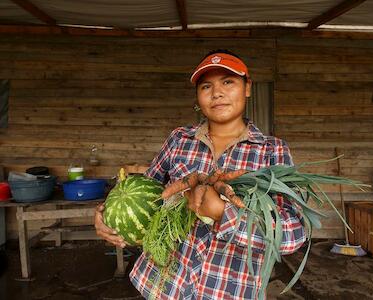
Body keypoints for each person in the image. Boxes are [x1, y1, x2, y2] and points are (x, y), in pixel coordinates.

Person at [95, 50, 306, 299]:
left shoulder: (273, 151)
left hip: (228, 291)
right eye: (206, 86)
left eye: (228, 82)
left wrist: (222, 212)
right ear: (198, 96)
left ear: (247, 87)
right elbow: (146, 197)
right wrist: (109, 215)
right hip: (163, 287)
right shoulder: (179, 139)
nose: (217, 93)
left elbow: (292, 235)